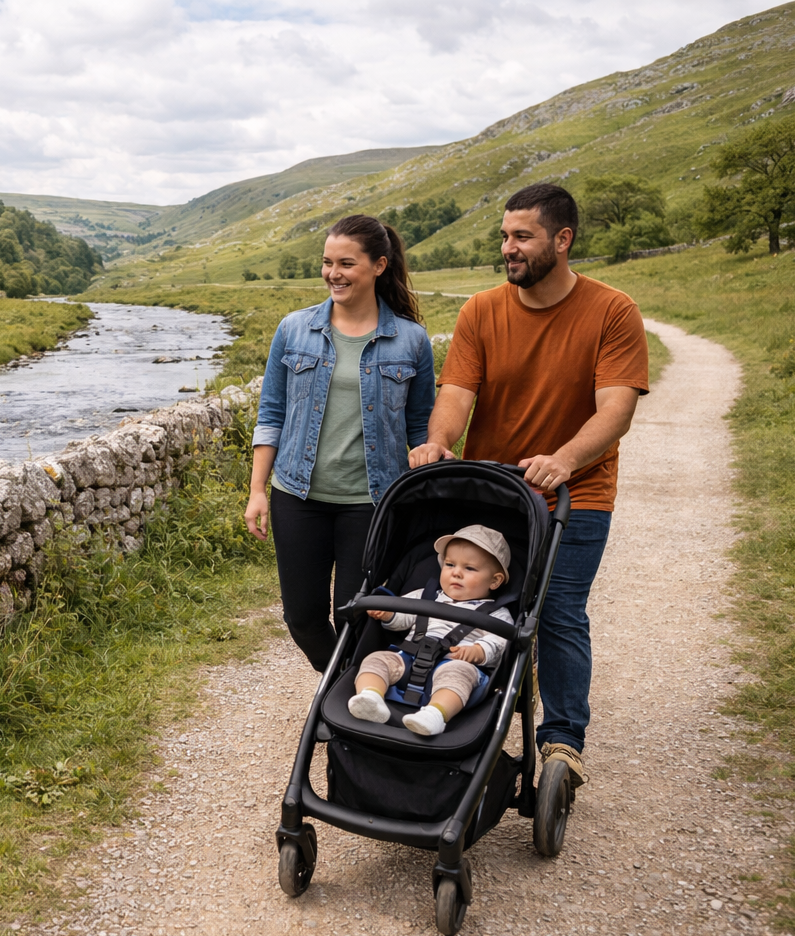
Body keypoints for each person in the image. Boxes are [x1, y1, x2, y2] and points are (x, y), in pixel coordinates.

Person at [410, 183, 649, 788]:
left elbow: (615, 408)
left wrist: (565, 459)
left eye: (522, 237)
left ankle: (563, 742)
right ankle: (461, 715)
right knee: (482, 609)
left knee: (559, 612)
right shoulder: (482, 311)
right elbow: (457, 394)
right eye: (504, 237)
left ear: (562, 240)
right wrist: (440, 443)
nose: (508, 248)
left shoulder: (612, 311)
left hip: (577, 492)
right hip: (497, 492)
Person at [244, 214, 435, 672]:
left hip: (372, 502)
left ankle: (343, 709)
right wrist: (256, 491)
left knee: (355, 617)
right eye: (327, 262)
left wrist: (423, 503)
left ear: (379, 266)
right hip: (297, 495)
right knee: (302, 617)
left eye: (346, 263)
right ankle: (343, 689)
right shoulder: (294, 329)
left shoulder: (411, 340)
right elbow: (271, 414)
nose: (333, 273)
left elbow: (421, 430)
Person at [349, 526, 514, 737]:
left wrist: (479, 651)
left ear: (495, 580)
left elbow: (500, 642)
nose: (456, 572)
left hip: (455, 663)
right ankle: (370, 697)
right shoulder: (425, 596)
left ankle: (435, 714)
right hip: (409, 658)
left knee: (457, 674)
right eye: (450, 564)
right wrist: (388, 615)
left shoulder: (496, 613)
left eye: (470, 568)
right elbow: (403, 617)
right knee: (377, 659)